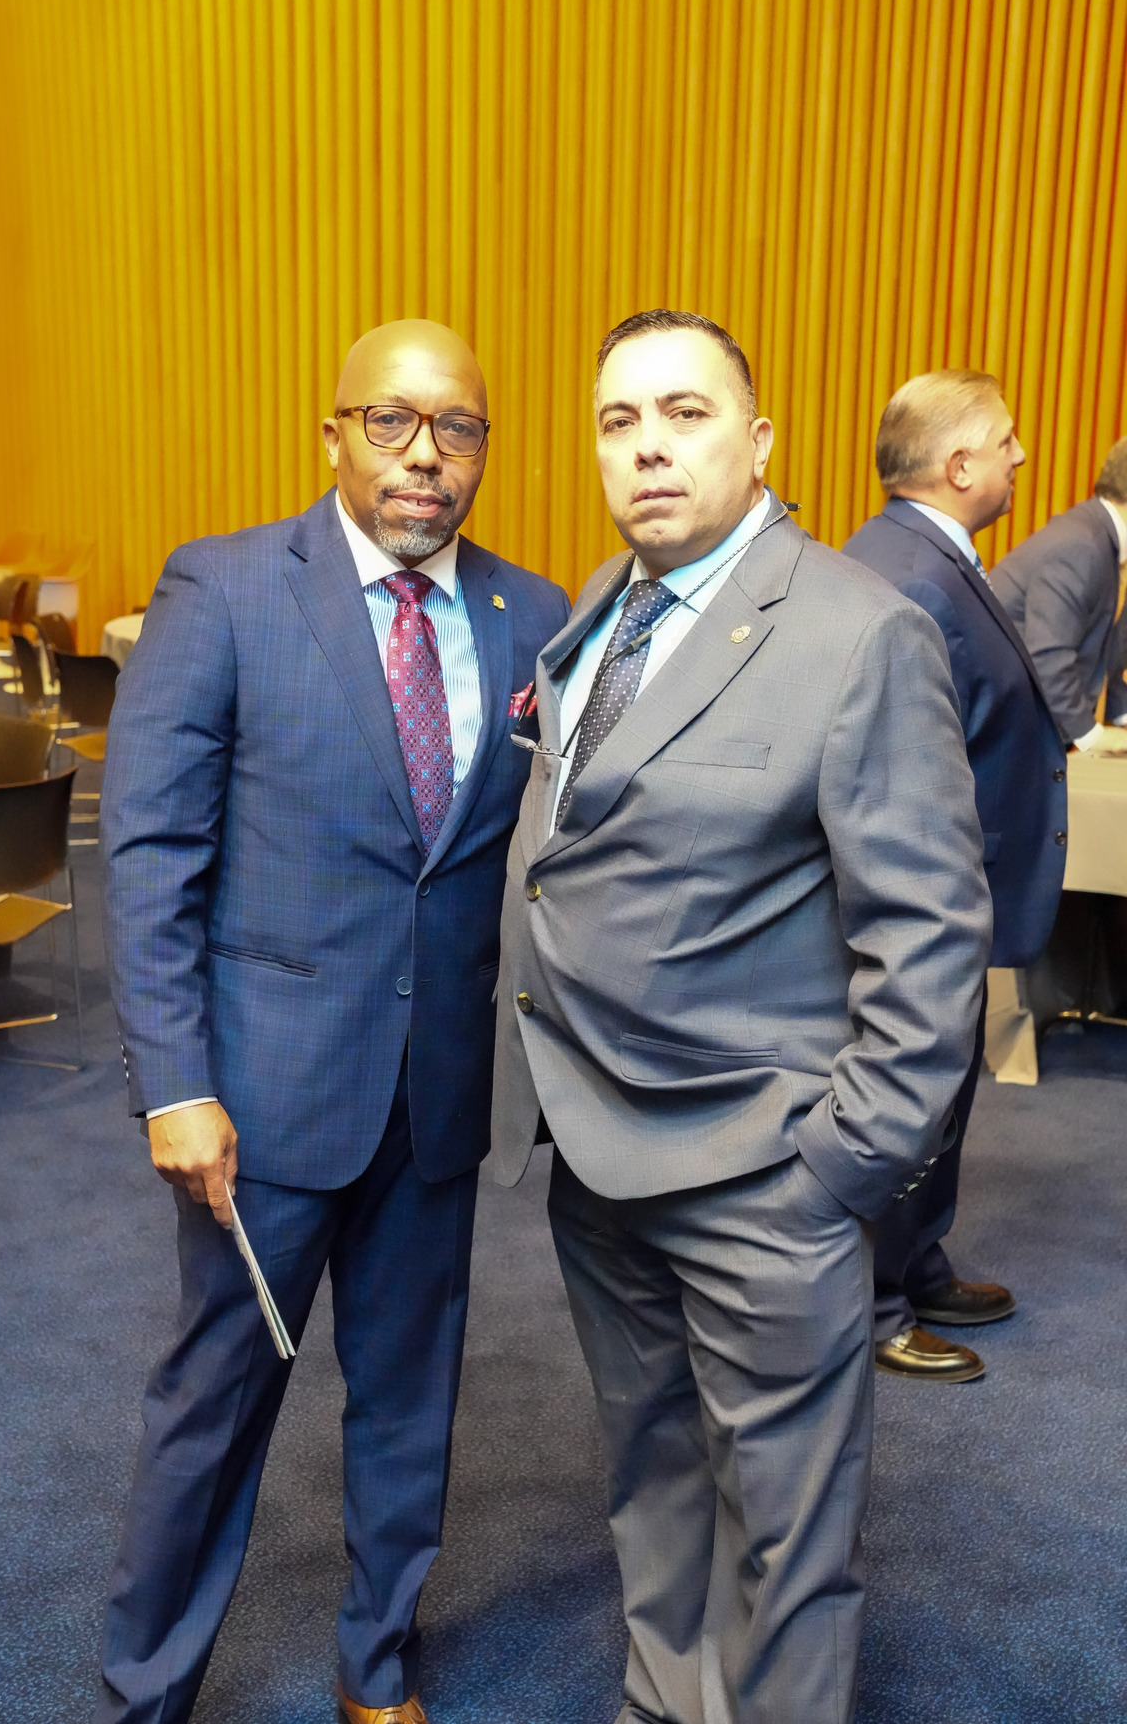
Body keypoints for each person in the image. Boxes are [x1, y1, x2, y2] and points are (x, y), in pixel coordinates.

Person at [490, 310, 992, 1724]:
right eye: (619, 420)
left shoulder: (859, 631)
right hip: (598, 1158)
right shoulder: (608, 603)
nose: (648, 446)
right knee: (652, 1485)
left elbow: (930, 936)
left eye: (686, 413)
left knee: (783, 1538)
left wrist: (838, 1170)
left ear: (759, 440)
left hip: (766, 1177)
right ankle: (664, 1705)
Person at [94, 319, 568, 1724]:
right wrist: (173, 1083)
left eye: (458, 427)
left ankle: (378, 1666)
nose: (426, 454)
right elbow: (151, 850)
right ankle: (145, 1690)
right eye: (392, 420)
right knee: (214, 1406)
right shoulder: (226, 586)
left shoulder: (531, 613)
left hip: (438, 1096)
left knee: (412, 1402)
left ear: (483, 447)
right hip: (264, 1098)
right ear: (334, 433)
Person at [845, 370, 1067, 1382]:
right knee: (908, 1100)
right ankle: (874, 1304)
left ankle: (917, 1266)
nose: (1022, 454)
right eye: (1006, 439)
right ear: (959, 463)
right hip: (922, 902)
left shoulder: (925, 555)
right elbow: (896, 768)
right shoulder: (911, 576)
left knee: (943, 1100)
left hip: (953, 894)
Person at [990, 436, 1127, 747]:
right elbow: (1048, 656)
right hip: (1008, 737)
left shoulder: (1105, 541)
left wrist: (1121, 715)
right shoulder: (1082, 545)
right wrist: (1092, 737)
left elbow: (1112, 651)